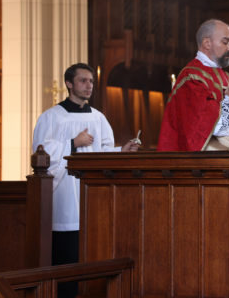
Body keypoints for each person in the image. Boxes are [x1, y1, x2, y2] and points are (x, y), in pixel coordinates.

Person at [32, 63, 140, 298]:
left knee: (90, 258)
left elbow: (103, 153)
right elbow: (40, 155)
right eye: (83, 81)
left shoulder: (98, 117)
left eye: (91, 81)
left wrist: (122, 151)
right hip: (64, 199)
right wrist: (73, 143)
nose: (88, 85)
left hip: (90, 198)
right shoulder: (52, 117)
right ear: (69, 84)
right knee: (66, 259)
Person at [157, 19, 229, 151]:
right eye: (225, 42)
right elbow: (201, 125)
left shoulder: (228, 79)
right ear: (207, 43)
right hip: (196, 164)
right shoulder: (191, 77)